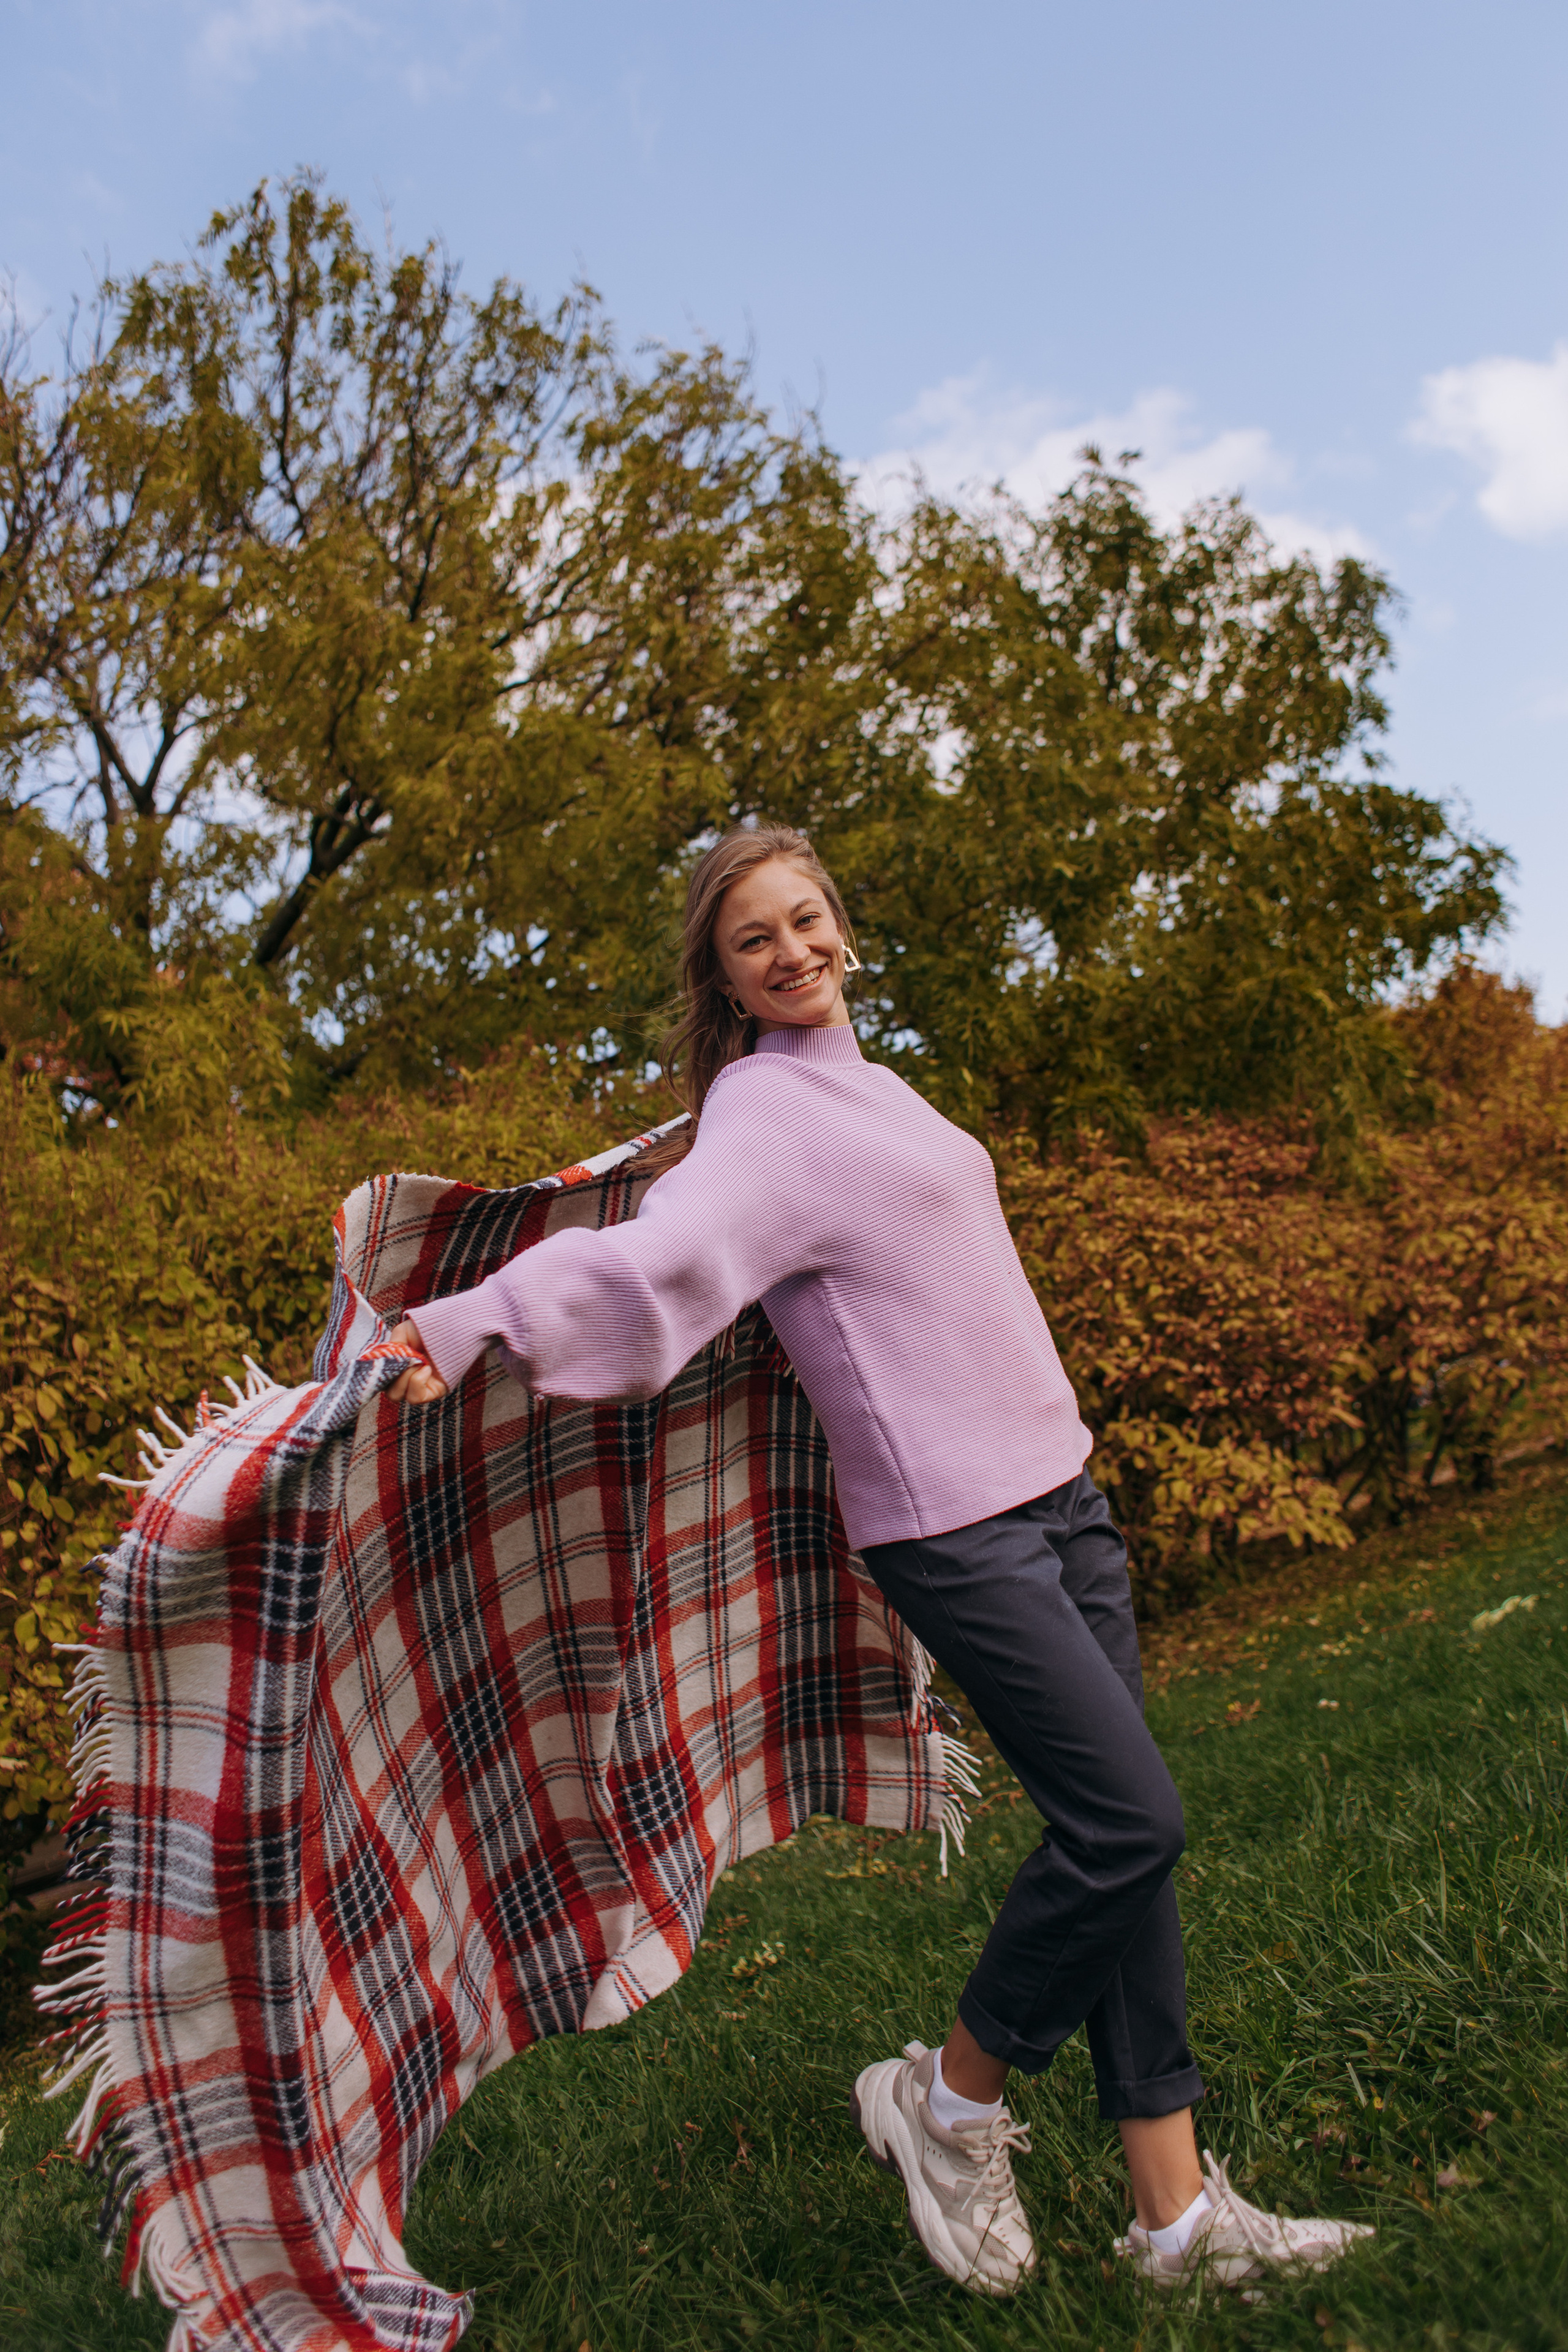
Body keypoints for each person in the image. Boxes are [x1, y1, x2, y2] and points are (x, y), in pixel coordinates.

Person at [386, 823, 1372, 2299]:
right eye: (752, 941)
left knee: (1123, 1849)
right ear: (722, 980)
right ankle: (947, 2099)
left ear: (841, 926)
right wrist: (461, 1327)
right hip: (954, 1527)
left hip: (1062, 1495)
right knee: (1127, 1827)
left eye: (806, 919)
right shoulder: (761, 1117)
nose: (791, 951)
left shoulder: (883, 1088)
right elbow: (661, 1260)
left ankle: (1171, 2220)